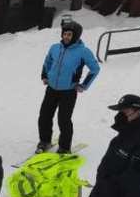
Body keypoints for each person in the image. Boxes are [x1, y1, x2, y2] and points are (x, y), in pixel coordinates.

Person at [37, 20, 100, 153]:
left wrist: (84, 85)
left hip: (68, 91)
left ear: (76, 36)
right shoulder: (55, 47)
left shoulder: (83, 51)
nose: (66, 37)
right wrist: (45, 75)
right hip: (52, 88)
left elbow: (95, 69)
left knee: (64, 119)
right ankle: (44, 141)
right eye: (65, 34)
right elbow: (47, 61)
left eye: (69, 34)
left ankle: (64, 147)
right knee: (44, 116)